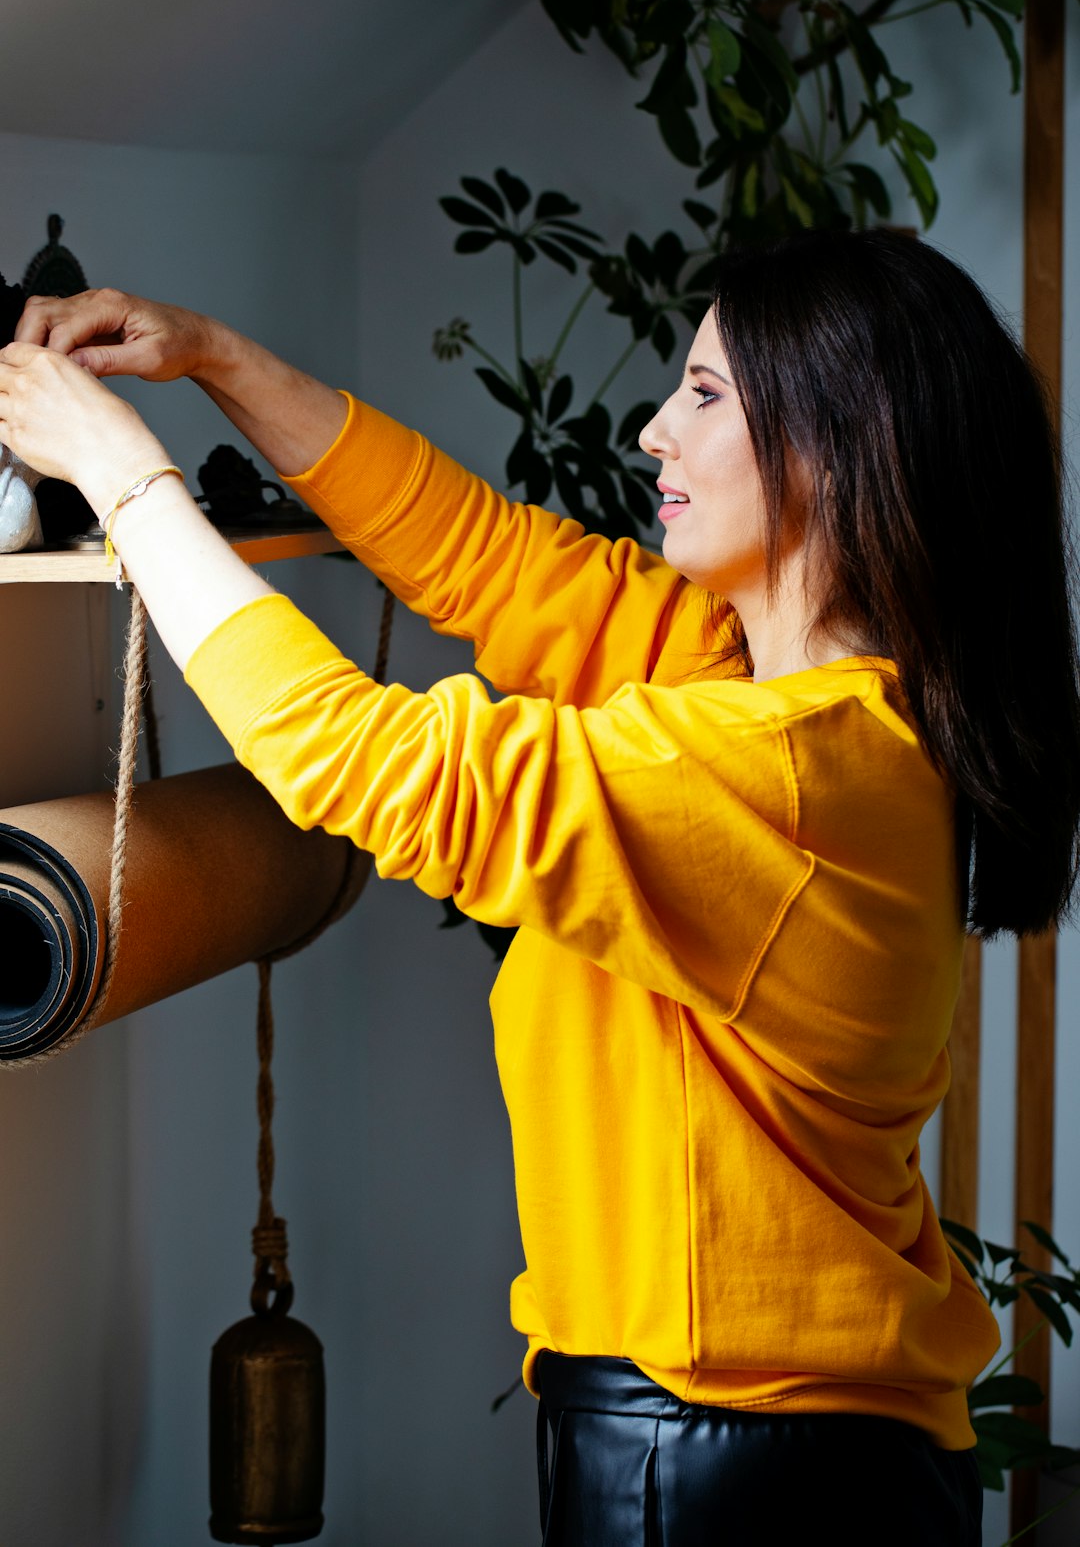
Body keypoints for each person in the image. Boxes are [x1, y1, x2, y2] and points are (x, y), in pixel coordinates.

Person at [2, 229, 1078, 1547]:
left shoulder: (783, 768)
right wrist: (212, 357)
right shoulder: (750, 678)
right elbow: (488, 560)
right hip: (769, 1439)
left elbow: (357, 759)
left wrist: (123, 474)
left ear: (842, 450)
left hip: (734, 1460)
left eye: (704, 396)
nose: (649, 432)